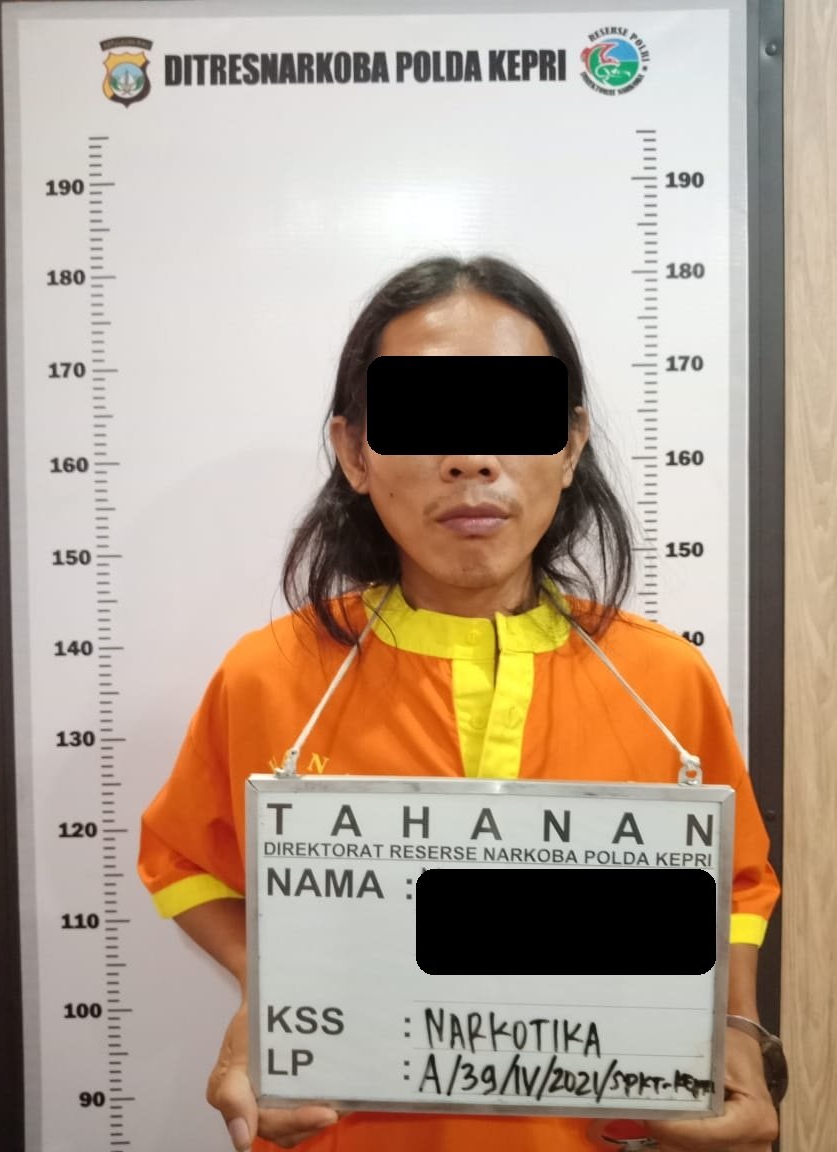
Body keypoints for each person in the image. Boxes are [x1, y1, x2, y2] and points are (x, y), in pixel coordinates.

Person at [137, 255, 781, 1152]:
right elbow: (181, 856)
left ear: (571, 445)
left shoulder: (666, 679)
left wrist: (739, 1036)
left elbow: (736, 880)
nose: (471, 459)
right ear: (354, 453)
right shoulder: (267, 675)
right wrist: (280, 988)